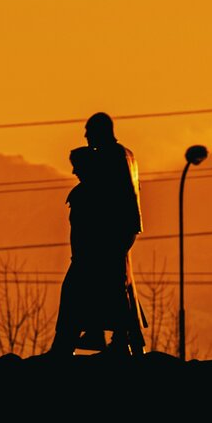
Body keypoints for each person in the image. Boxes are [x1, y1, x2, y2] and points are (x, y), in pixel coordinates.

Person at [48, 113, 146, 356]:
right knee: (112, 286)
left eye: (88, 131)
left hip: (108, 234)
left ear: (98, 131)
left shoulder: (109, 157)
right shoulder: (125, 155)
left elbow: (103, 195)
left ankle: (73, 342)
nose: (85, 136)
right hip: (120, 231)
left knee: (87, 287)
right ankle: (114, 338)